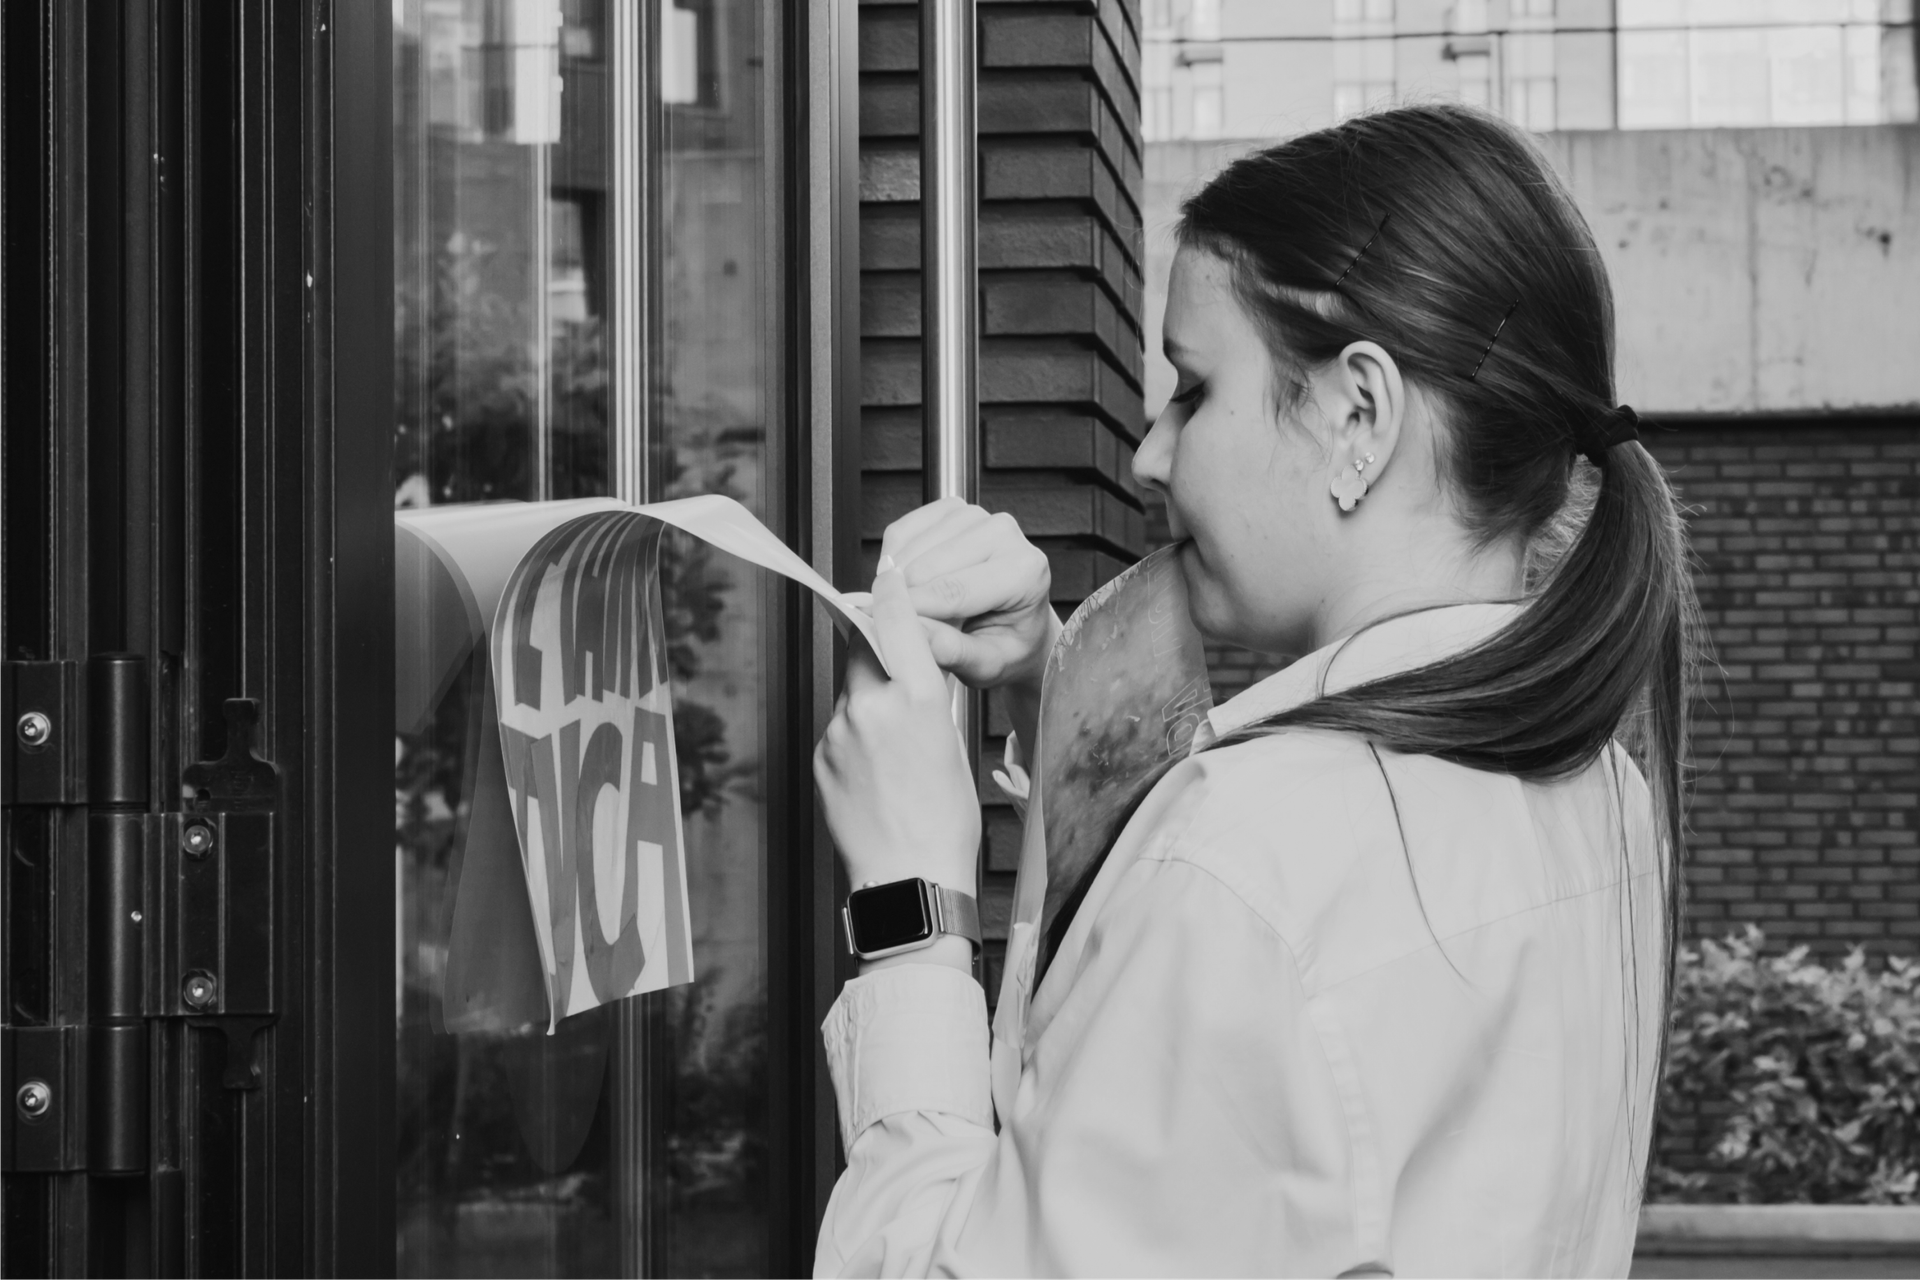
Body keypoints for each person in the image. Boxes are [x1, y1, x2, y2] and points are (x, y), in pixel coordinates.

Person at [810, 103, 1694, 1278]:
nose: (1150, 453)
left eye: (1192, 389)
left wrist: (909, 900)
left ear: (1358, 415)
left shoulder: (1247, 858)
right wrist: (1058, 686)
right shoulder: (1602, 797)